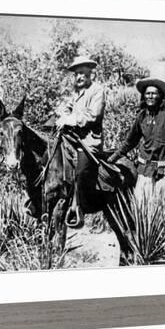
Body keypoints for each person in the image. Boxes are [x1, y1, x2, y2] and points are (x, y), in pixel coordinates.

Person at [108, 78, 165, 204]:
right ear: (144, 96)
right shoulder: (141, 116)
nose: (150, 96)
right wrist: (113, 158)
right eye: (148, 93)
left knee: (162, 211)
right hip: (144, 172)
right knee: (141, 210)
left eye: (154, 93)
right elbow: (130, 141)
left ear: (160, 96)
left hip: (162, 172)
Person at [55, 55, 106, 223]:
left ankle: (80, 208)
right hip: (72, 139)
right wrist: (62, 112)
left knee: (81, 172)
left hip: (88, 142)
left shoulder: (97, 91)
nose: (78, 77)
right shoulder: (76, 93)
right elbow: (67, 107)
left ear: (90, 73)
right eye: (76, 74)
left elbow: (92, 116)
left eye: (82, 73)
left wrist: (69, 119)